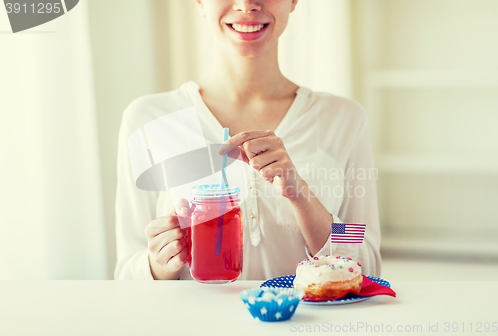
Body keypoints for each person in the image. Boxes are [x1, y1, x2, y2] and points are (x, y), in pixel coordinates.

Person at [114, 0, 381, 280]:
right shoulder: (148, 119)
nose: (246, 4)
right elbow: (127, 272)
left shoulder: (343, 119)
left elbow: (367, 261)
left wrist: (301, 196)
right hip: (193, 324)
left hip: (306, 323)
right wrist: (159, 263)